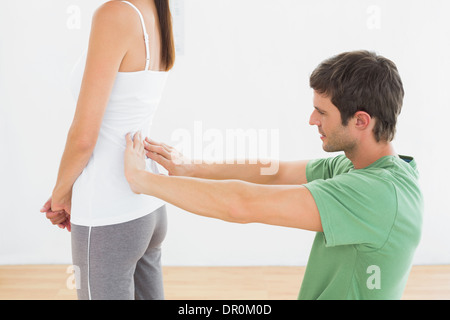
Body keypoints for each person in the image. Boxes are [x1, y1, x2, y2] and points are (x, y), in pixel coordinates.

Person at [123, 50, 423, 300]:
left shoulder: (374, 195)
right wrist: (191, 167)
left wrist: (145, 181)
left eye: (322, 112)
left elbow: (241, 205)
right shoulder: (364, 168)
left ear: (360, 121)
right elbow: (275, 172)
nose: (311, 119)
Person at [40, 0, 175, 300]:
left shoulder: (114, 14)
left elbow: (84, 136)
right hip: (148, 208)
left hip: (108, 214)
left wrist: (61, 194)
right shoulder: (158, 12)